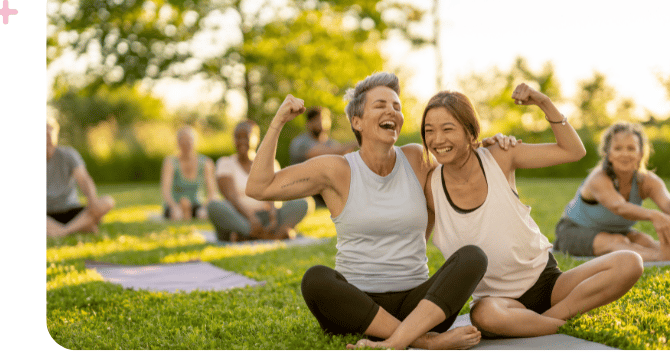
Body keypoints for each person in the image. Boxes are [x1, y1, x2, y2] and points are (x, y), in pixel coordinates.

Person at [246, 72, 512, 350]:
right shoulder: (336, 169)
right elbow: (259, 187)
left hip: (418, 306)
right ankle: (424, 341)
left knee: (472, 258)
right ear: (356, 121)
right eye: (381, 105)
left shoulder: (416, 158)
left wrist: (490, 146)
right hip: (355, 307)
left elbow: (460, 160)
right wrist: (277, 121)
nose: (392, 111)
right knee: (316, 279)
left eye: (397, 107)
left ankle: (399, 338)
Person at [422, 86, 644, 338]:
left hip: (549, 284)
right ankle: (562, 323)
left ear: (470, 131)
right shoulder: (430, 187)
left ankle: (541, 321)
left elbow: (573, 151)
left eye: (447, 129)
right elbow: (417, 248)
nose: (437, 140)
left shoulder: (500, 156)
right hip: (498, 303)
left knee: (630, 263)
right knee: (484, 316)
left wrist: (543, 101)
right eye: (429, 131)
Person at [553, 122, 670, 261]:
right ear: (608, 154)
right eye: (618, 148)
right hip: (573, 231)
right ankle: (661, 258)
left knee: (645, 241)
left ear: (640, 154)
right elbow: (619, 207)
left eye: (631, 148)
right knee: (618, 241)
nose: (625, 154)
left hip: (617, 231)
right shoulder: (598, 178)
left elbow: (668, 202)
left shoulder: (647, 181)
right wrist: (654, 215)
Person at [207, 120, 311, 241]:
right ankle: (267, 234)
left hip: (265, 217)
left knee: (304, 202)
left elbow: (274, 195)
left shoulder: (269, 163)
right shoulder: (225, 163)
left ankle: (249, 236)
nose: (241, 141)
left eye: (246, 137)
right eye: (237, 137)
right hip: (239, 217)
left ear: (256, 139)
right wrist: (250, 217)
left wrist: (273, 216)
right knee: (213, 206)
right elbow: (231, 196)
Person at [47, 118, 115, 238]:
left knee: (107, 201)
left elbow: (84, 179)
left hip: (71, 210)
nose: (47, 135)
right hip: (47, 214)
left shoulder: (68, 154)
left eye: (50, 131)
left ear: (56, 134)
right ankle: (82, 227)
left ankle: (62, 231)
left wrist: (92, 200)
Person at [289, 106, 359, 208]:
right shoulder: (300, 142)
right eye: (316, 120)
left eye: (324, 119)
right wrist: (356, 142)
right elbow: (323, 153)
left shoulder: (332, 144)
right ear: (308, 123)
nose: (321, 122)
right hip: (305, 192)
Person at [159, 125, 217, 221]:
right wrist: (174, 207)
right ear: (177, 142)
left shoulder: (206, 163)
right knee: (177, 215)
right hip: (175, 204)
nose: (186, 143)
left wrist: (204, 208)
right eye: (182, 140)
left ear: (195, 142)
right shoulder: (170, 162)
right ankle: (184, 211)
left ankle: (189, 212)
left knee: (203, 215)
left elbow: (212, 192)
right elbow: (165, 191)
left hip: (197, 205)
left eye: (189, 139)